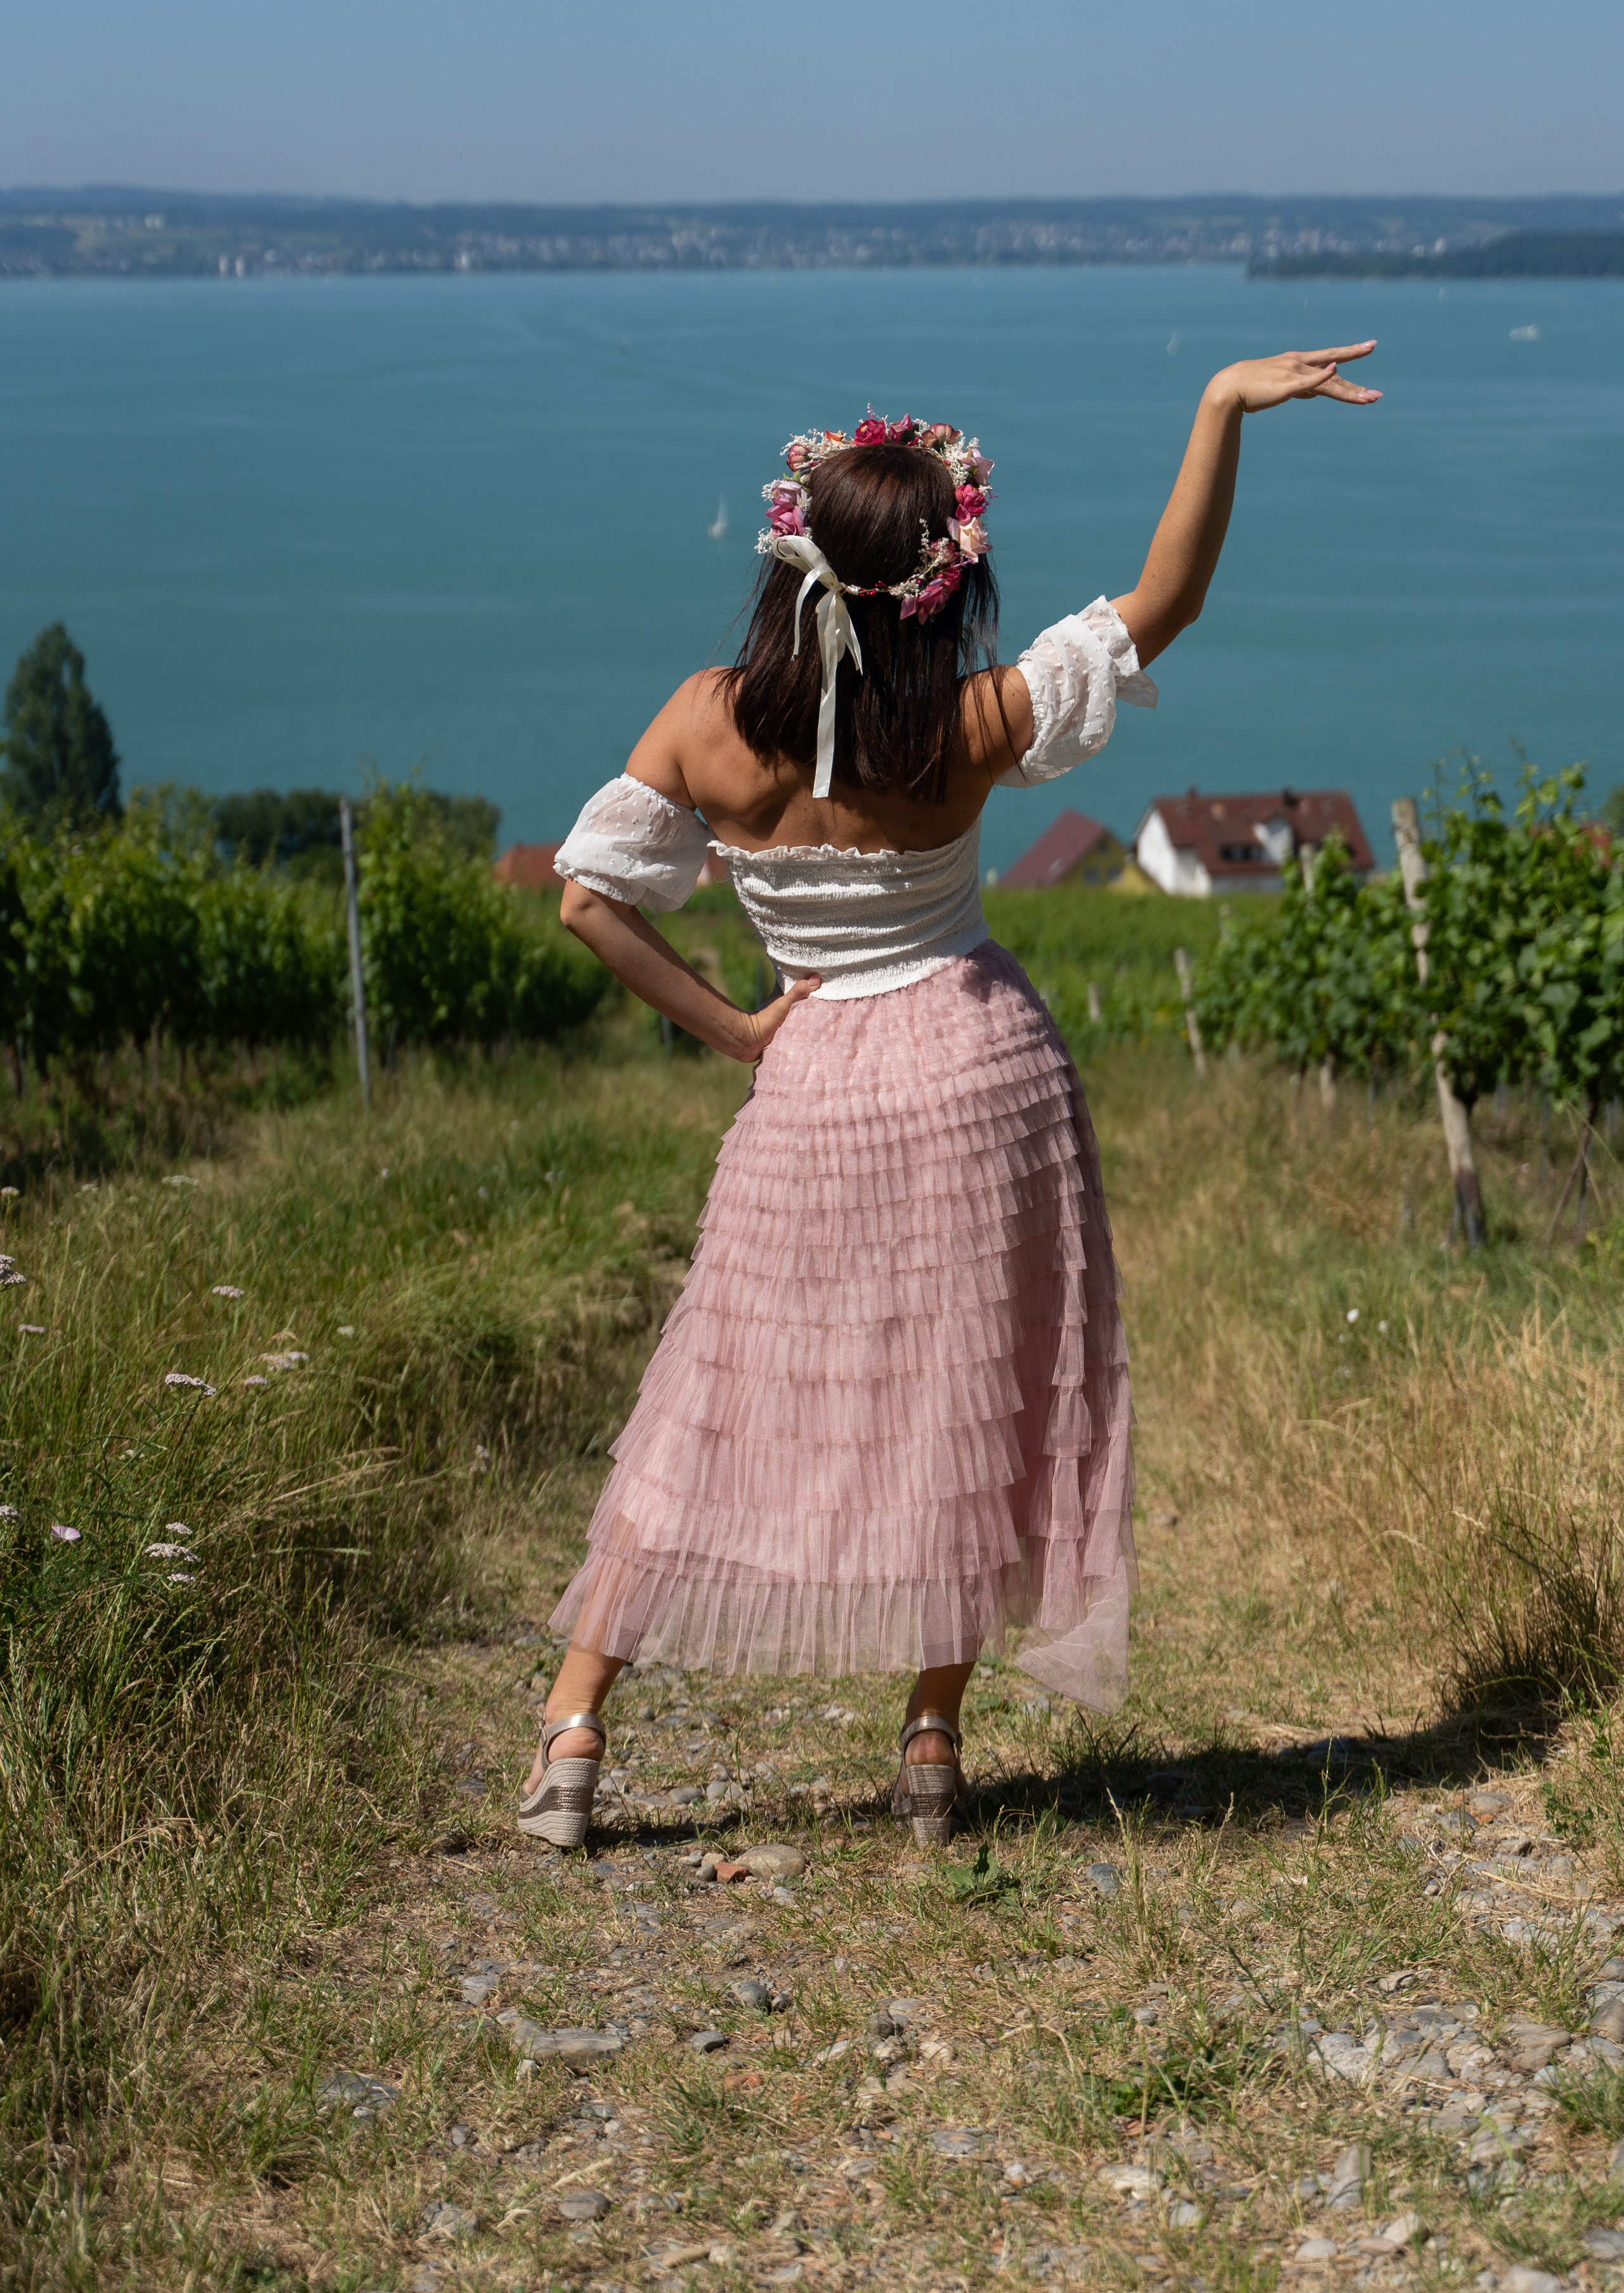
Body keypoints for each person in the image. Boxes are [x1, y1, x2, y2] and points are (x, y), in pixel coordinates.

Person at [521, 343, 1380, 1849]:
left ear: (792, 564)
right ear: (942, 580)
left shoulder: (707, 722)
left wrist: (732, 1030)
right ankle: (930, 1744)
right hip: (982, 1073)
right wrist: (1216, 409)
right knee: (968, 1402)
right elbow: (1160, 604)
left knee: (714, 1399)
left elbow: (590, 900)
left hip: (813, 1092)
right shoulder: (969, 726)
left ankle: (576, 1732)